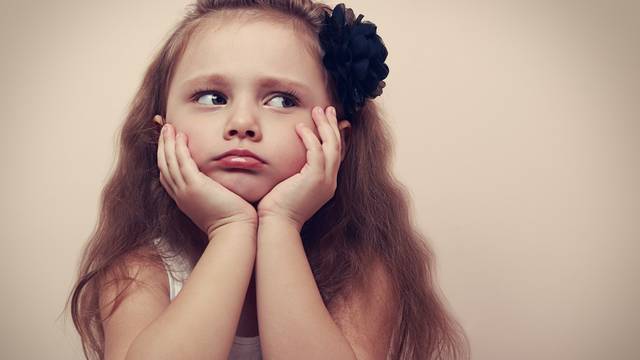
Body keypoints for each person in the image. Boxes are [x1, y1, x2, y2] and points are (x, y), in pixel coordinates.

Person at [66, 1, 470, 359]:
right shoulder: (142, 269)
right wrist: (231, 230)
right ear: (160, 133)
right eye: (212, 97)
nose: (241, 123)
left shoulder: (359, 270)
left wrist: (281, 223)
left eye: (282, 100)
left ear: (337, 141)